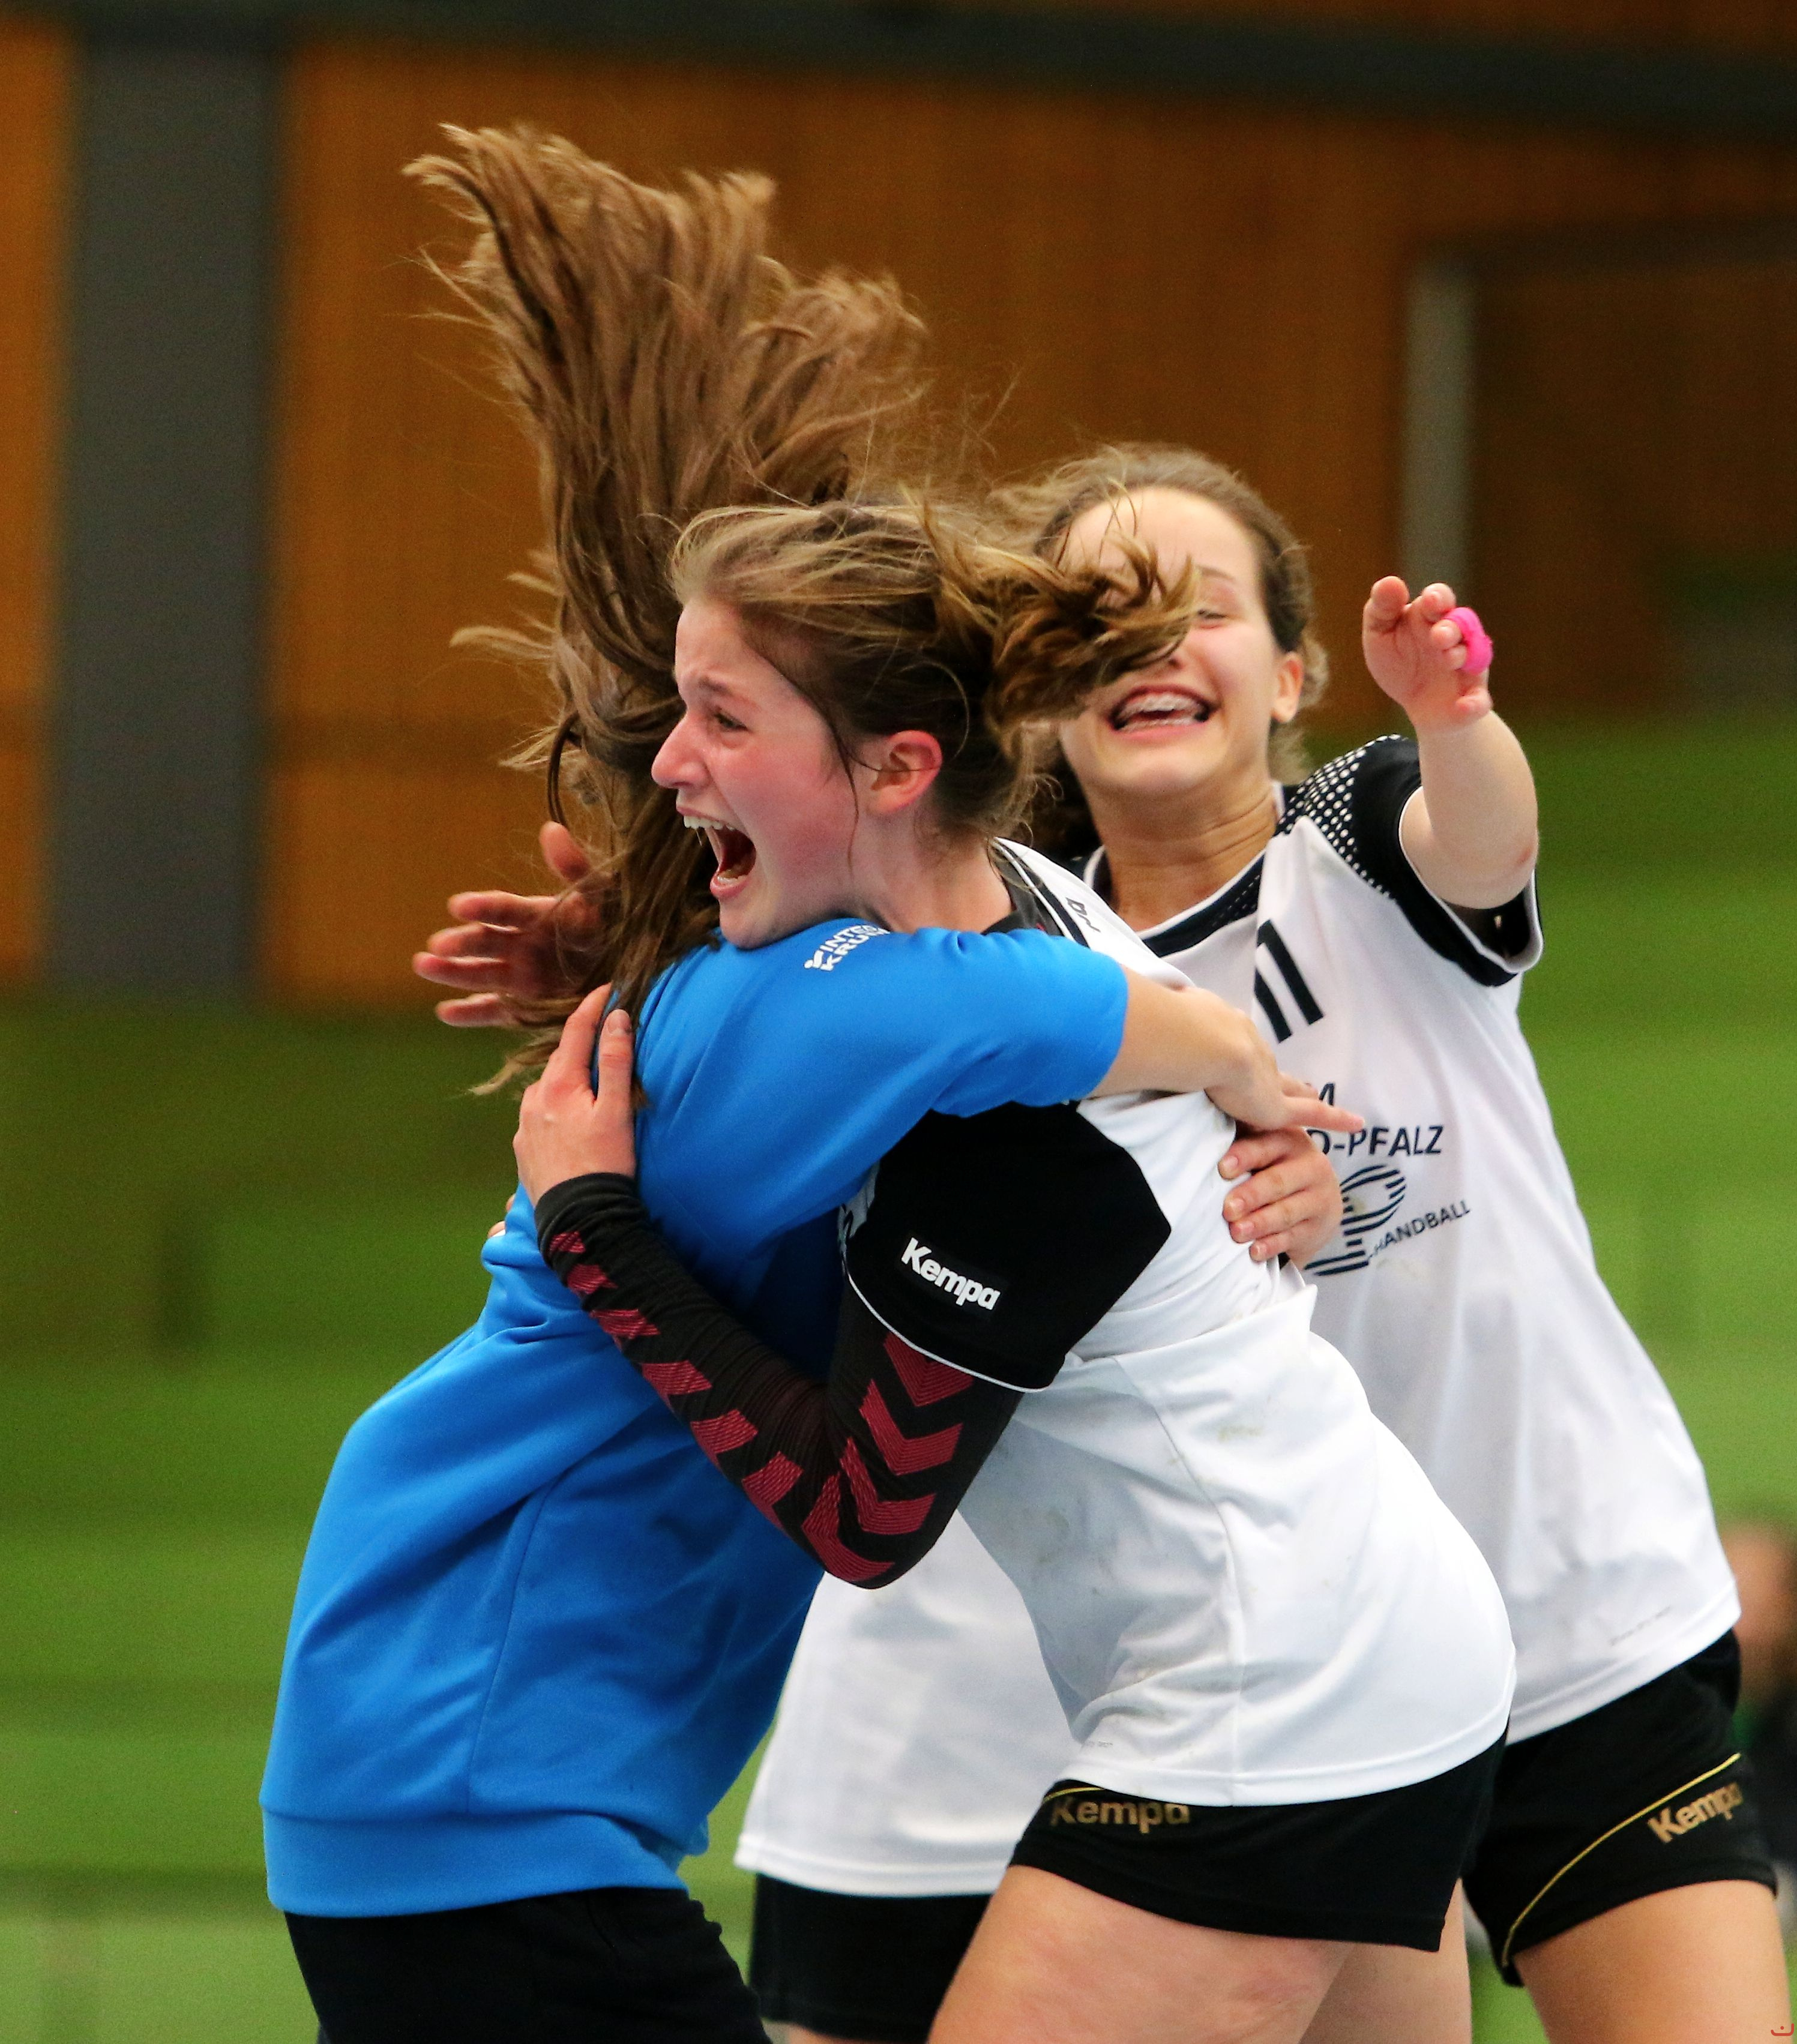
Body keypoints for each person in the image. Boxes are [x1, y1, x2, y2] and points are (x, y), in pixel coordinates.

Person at [266, 133, 1354, 2044]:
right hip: (476, 1770)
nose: (669, 762)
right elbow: (1051, 1011)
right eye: (678, 712)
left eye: (721, 716)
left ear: (890, 764)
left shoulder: (776, 980)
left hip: (446, 1744)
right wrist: (1253, 1071)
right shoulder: (837, 1000)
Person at [727, 449, 1787, 2044]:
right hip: (1338, 1664)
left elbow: (1483, 839)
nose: (1158, 645)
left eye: (1204, 609)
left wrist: (1455, 718)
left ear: (1290, 674)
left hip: (1573, 1613)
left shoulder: (1355, 834)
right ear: (1041, 701)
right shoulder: (1034, 969)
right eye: (1110, 617)